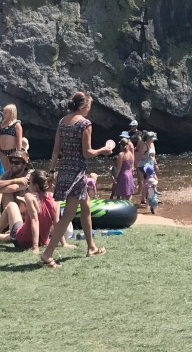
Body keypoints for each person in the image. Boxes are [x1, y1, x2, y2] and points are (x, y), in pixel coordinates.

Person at [39, 91, 116, 267]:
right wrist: (103, 150)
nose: (90, 109)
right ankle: (47, 254)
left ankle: (91, 247)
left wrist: (51, 171)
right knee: (68, 215)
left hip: (64, 170)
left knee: (86, 206)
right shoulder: (85, 123)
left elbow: (56, 149)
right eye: (89, 106)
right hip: (77, 172)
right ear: (83, 106)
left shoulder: (62, 122)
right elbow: (87, 153)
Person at [0, 170, 59, 251]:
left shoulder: (29, 196)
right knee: (17, 230)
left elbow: (34, 221)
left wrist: (35, 247)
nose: (28, 186)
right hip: (43, 241)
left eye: (29, 182)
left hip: (23, 241)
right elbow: (57, 223)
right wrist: (64, 243)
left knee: (11, 205)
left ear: (35, 185)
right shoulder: (54, 198)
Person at [0, 103, 24, 172]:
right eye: (4, 112)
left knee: (12, 170)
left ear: (11, 113)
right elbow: (0, 139)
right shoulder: (2, 125)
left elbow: (19, 140)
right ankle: (6, 182)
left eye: (6, 112)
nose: (3, 114)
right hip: (2, 151)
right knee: (5, 170)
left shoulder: (16, 125)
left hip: (12, 151)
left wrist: (18, 152)